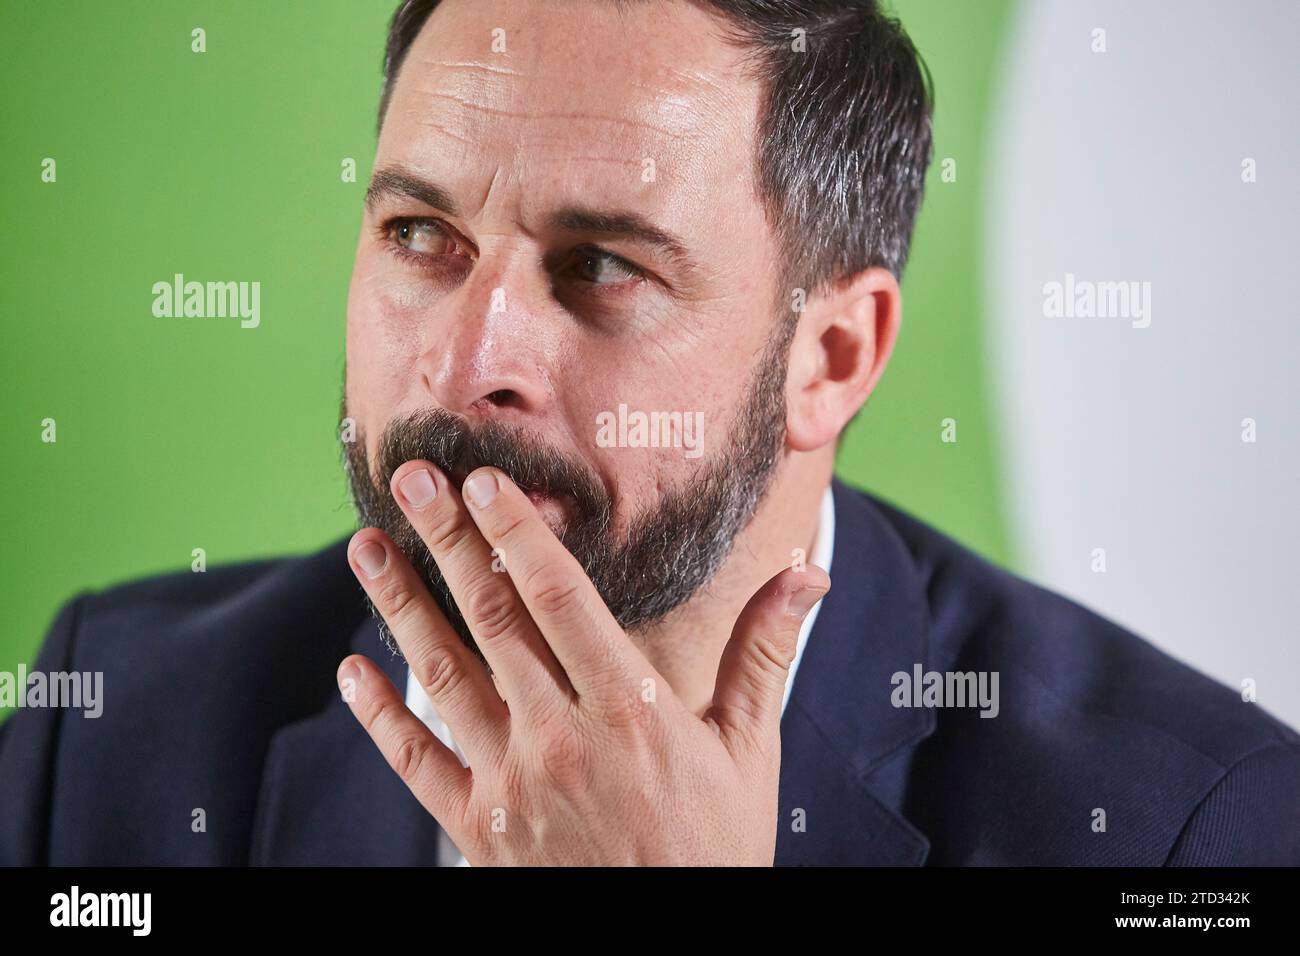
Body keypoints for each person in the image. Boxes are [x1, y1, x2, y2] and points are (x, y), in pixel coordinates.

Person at [2, 0, 1297, 866]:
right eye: (420, 237)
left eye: (604, 266)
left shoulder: (1189, 825)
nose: (465, 362)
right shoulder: (110, 725)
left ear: (830, 357)